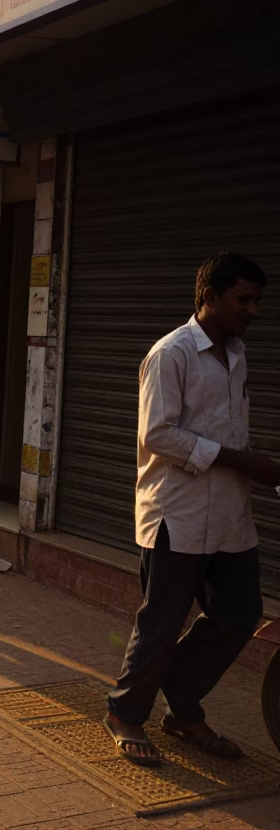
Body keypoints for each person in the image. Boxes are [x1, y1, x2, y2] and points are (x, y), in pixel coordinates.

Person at [104, 252, 273, 767]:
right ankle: (125, 713)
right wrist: (239, 459)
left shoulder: (237, 353)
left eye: (256, 302)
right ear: (210, 296)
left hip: (228, 514)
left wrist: (253, 470)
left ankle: (180, 703)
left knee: (242, 611)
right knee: (163, 618)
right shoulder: (170, 354)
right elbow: (157, 433)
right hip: (176, 513)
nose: (252, 311)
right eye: (243, 299)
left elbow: (228, 430)